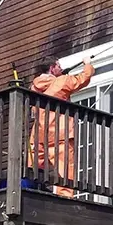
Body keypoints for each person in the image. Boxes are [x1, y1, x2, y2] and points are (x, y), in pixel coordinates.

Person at [31, 57, 94, 197]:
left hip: (39, 134)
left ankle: (33, 192)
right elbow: (83, 78)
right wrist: (87, 64)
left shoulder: (34, 87)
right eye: (58, 66)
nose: (61, 68)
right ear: (52, 68)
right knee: (64, 168)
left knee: (35, 166)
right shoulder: (62, 81)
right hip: (60, 132)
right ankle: (65, 197)